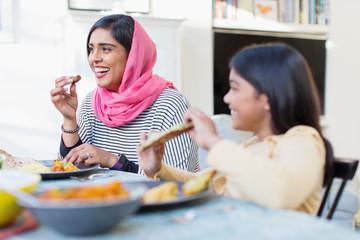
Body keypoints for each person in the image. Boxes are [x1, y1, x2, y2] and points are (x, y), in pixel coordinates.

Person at [138, 42, 333, 215]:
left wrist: (215, 142)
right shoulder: (252, 146)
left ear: (266, 97)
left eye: (235, 88)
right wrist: (158, 168)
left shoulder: (303, 140)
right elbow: (203, 183)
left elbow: (279, 194)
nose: (226, 98)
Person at [50, 14, 198, 174]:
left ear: (134, 55)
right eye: (91, 49)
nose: (94, 58)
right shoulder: (92, 103)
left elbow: (178, 181)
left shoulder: (170, 106)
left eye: (105, 49)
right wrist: (69, 120)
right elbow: (69, 170)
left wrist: (112, 160)